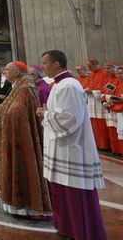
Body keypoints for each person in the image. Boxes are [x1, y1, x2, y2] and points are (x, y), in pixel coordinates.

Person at [38, 50, 107, 240]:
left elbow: (69, 119)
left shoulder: (69, 86)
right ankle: (69, 227)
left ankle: (82, 231)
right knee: (64, 191)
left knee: (74, 194)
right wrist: (47, 114)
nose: (42, 66)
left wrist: (45, 115)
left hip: (72, 148)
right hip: (63, 148)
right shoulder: (60, 84)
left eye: (45, 63)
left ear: (57, 64)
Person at [0, 61, 52, 219]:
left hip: (22, 139)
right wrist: (2, 108)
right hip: (13, 137)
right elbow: (13, 108)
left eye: (8, 70)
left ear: (17, 72)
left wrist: (3, 109)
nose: (4, 72)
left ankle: (25, 206)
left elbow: (19, 112)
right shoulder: (18, 87)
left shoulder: (26, 89)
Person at [85, 58, 111, 151]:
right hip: (92, 103)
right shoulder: (91, 74)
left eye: (89, 66)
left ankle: (105, 145)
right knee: (95, 125)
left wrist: (92, 92)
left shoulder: (104, 73)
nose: (88, 68)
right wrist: (88, 90)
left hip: (100, 103)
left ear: (95, 64)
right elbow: (90, 86)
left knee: (101, 125)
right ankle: (98, 144)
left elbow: (105, 89)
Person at [102, 65, 123, 156]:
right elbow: (106, 93)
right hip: (116, 109)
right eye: (118, 74)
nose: (119, 75)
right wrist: (106, 103)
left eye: (121, 73)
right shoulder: (116, 82)